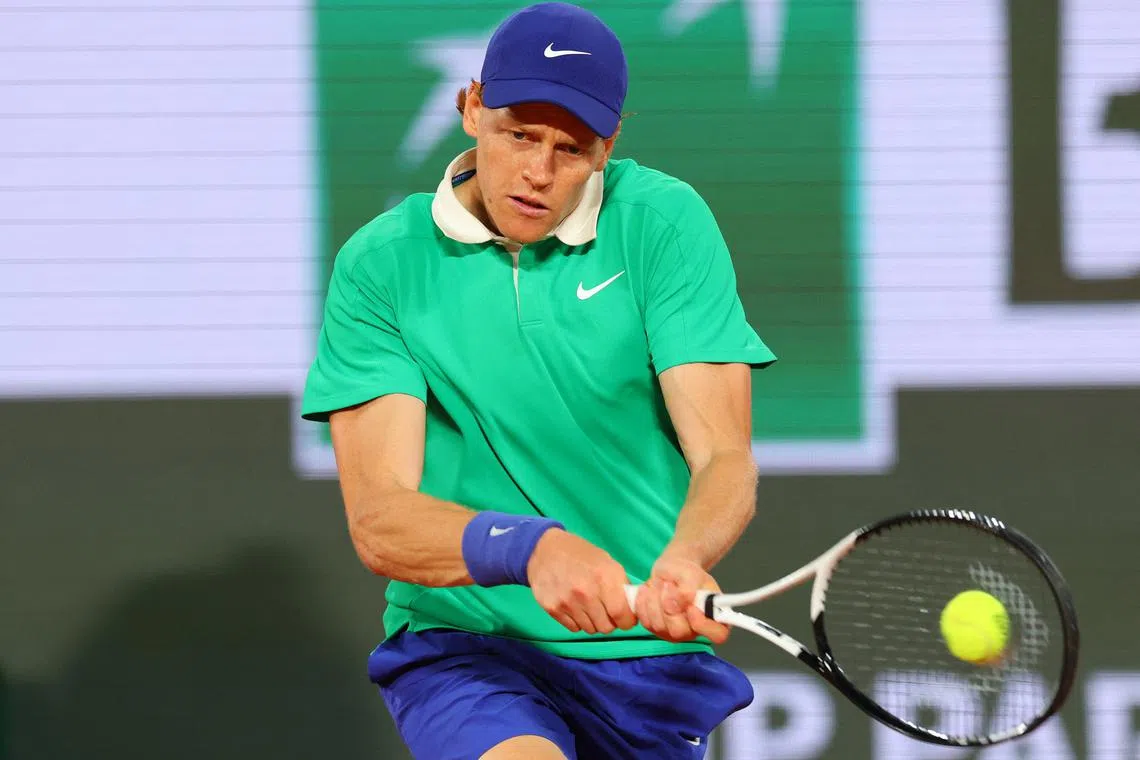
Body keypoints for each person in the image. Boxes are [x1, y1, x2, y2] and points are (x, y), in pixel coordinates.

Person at [301, 2, 777, 758]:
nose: (538, 172)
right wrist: (528, 549)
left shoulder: (663, 223)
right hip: (469, 647)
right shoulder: (381, 264)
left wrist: (684, 558)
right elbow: (380, 519)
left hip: (641, 666)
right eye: (518, 133)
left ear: (608, 147)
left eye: (571, 148)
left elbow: (724, 458)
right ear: (470, 108)